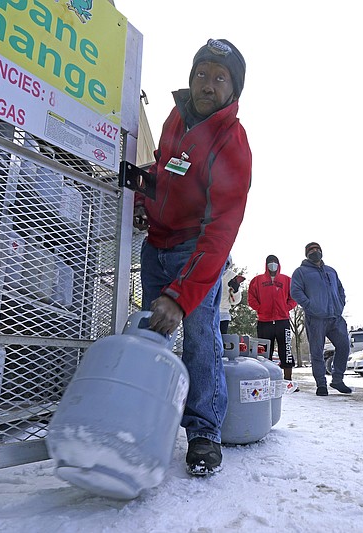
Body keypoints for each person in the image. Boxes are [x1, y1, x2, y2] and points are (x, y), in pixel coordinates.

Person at [133, 39, 251, 475]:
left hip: (195, 251)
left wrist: (182, 295)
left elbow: (221, 231)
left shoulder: (232, 142)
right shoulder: (174, 117)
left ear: (233, 89)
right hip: (156, 247)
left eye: (220, 78)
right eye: (202, 74)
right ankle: (145, 421)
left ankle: (203, 433)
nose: (208, 84)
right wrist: (145, 197)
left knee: (200, 338)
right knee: (152, 337)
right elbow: (166, 170)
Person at [291, 243, 352, 396]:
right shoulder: (301, 272)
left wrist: (340, 304)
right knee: (317, 352)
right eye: (311, 250)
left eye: (317, 249)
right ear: (306, 254)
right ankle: (321, 385)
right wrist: (309, 306)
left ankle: (337, 380)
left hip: (335, 317)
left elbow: (340, 289)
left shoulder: (331, 271)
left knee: (344, 346)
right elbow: (295, 291)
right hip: (316, 319)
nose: (315, 252)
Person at [247, 255, 297, 381]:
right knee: (264, 352)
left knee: (286, 349)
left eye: (275, 262)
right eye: (270, 262)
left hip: (282, 320)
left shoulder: (287, 280)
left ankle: (288, 380)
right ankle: (265, 379)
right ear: (266, 264)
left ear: (279, 264)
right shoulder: (257, 280)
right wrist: (260, 308)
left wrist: (286, 307)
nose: (272, 264)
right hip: (264, 321)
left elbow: (294, 296)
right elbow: (251, 297)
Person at [219, 255, 244, 334]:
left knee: (221, 342)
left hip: (223, 315)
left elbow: (235, 301)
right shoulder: (208, 272)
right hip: (207, 312)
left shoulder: (232, 276)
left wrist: (235, 290)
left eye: (226, 263)